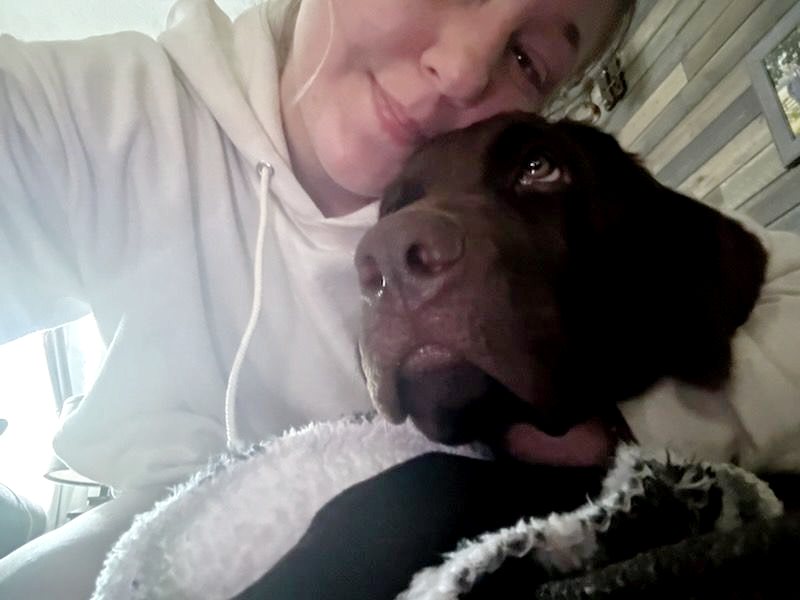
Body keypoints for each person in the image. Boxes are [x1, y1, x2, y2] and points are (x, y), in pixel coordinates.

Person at [1, 0, 799, 597]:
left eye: (529, 60)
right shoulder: (101, 116)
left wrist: (612, 434)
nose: (461, 66)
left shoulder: (562, 214)